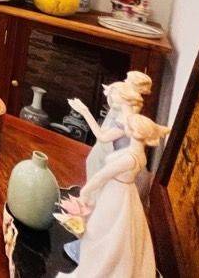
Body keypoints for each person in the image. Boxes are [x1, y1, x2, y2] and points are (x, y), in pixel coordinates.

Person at [59, 113, 169, 278]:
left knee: (102, 231)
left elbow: (102, 175)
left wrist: (85, 192)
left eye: (128, 126)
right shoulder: (140, 156)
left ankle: (100, 267)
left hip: (115, 194)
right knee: (119, 233)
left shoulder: (129, 158)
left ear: (134, 132)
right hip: (125, 192)